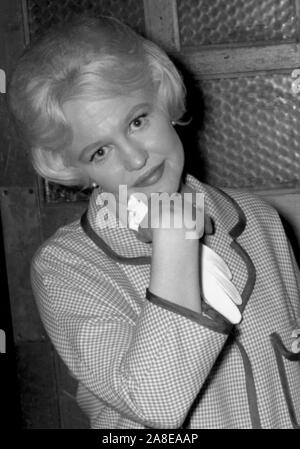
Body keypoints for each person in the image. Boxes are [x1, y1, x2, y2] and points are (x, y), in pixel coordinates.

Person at [8, 15, 300, 429]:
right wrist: (176, 239)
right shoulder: (66, 268)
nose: (135, 158)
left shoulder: (259, 220)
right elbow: (157, 404)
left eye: (137, 121)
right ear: (76, 169)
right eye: (100, 152)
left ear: (164, 100)